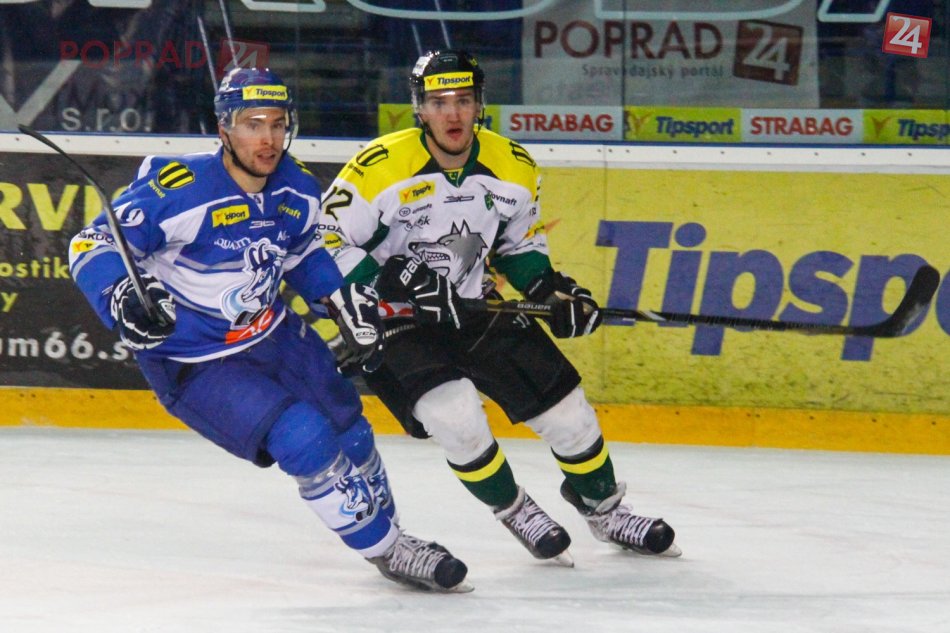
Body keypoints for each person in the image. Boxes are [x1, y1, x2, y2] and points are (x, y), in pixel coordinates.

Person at [67, 67, 471, 593]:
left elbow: (303, 254)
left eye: (277, 124)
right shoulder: (180, 190)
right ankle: (389, 549)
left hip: (275, 335)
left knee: (349, 425)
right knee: (303, 435)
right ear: (224, 129)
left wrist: (340, 300)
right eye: (253, 124)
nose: (268, 139)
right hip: (196, 362)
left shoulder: (295, 186)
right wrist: (121, 294)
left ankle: (391, 532)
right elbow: (92, 244)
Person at [318, 50, 681, 566]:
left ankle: (604, 510)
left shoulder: (513, 164)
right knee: (456, 416)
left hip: (472, 307)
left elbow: (519, 247)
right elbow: (325, 240)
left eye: (463, 100)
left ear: (480, 104)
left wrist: (551, 293)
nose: (452, 114)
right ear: (419, 108)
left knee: (570, 414)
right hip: (398, 322)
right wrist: (391, 281)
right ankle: (515, 509)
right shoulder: (378, 168)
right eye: (439, 102)